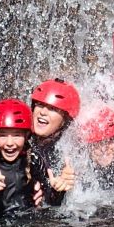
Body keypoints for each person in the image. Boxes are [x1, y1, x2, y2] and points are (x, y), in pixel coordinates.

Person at [29, 78, 80, 206]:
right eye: (39, 105)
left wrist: (61, 189)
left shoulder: (68, 154)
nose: (43, 112)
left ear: (65, 121)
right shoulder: (18, 143)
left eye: (52, 108)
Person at [77, 105, 114, 192]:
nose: (104, 149)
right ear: (88, 147)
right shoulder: (79, 178)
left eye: (110, 140)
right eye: (97, 143)